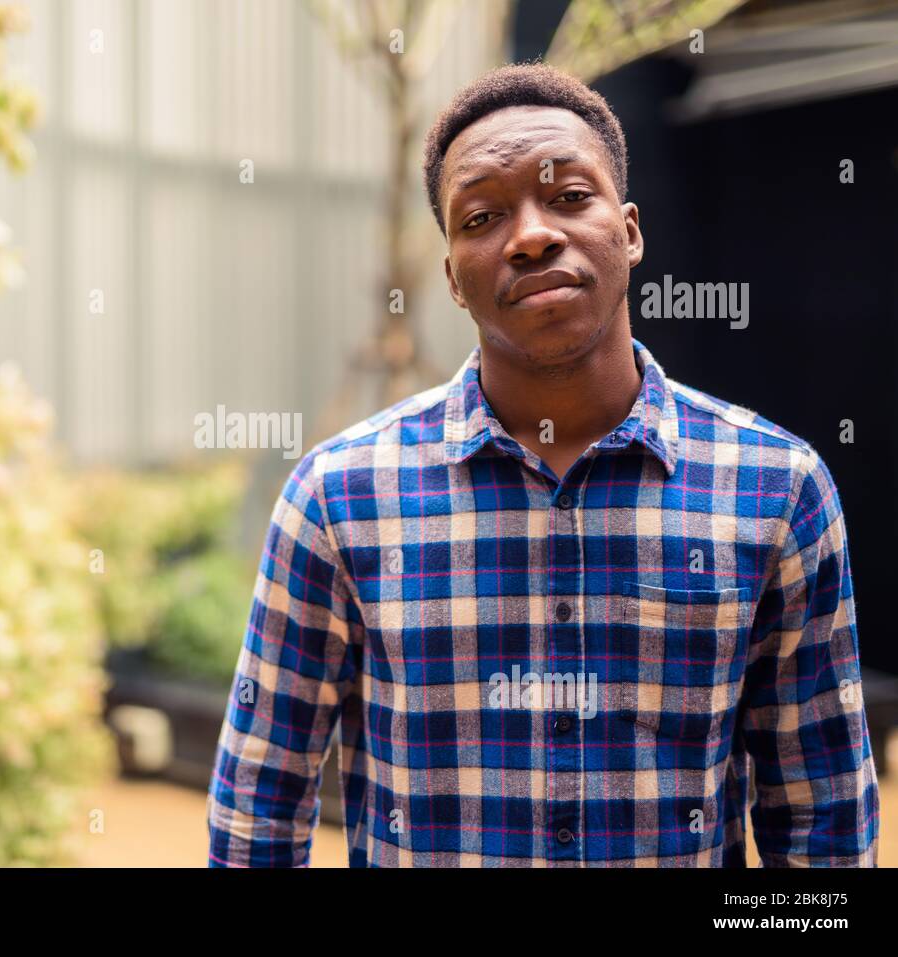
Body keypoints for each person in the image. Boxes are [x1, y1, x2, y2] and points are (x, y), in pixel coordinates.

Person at [206, 62, 879, 867]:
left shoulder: (778, 489)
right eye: (483, 214)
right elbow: (258, 809)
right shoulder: (339, 498)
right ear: (453, 276)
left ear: (629, 231)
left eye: (568, 198)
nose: (529, 235)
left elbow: (824, 823)